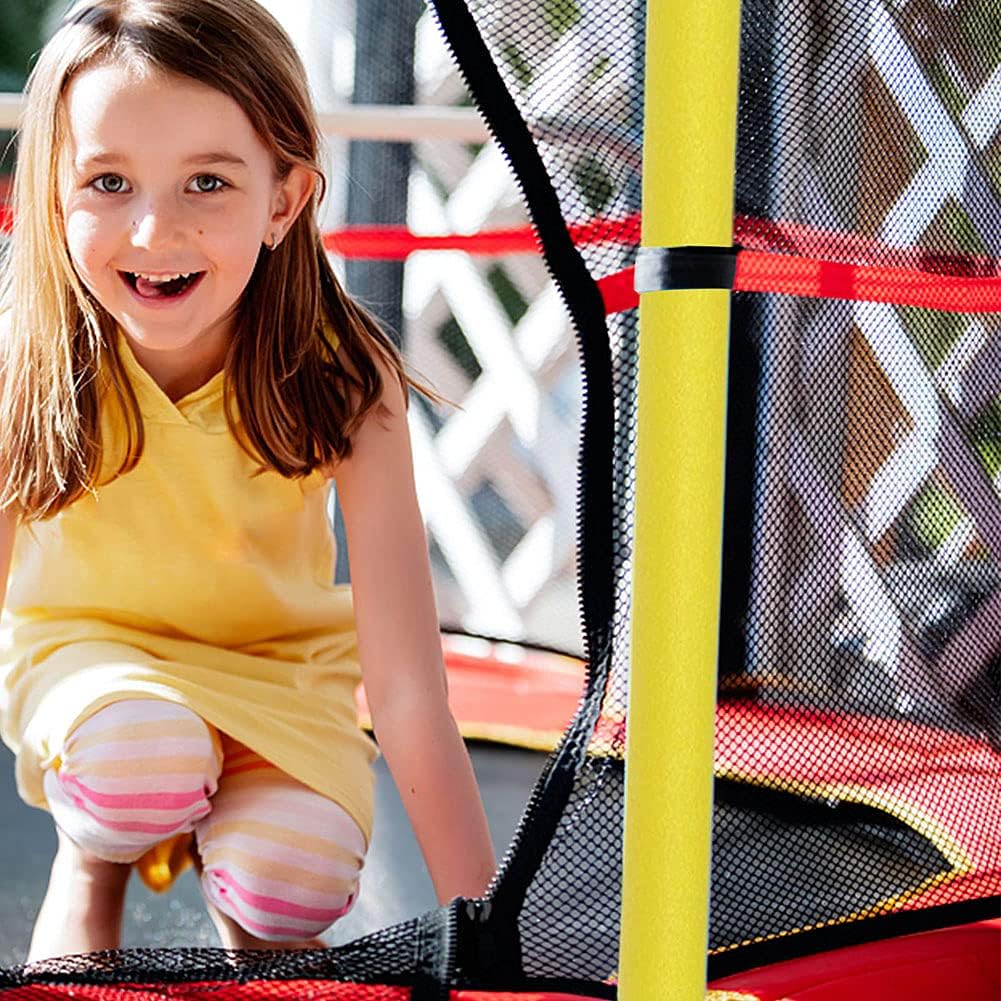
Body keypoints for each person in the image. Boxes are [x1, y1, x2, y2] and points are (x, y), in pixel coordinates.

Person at [0, 0, 496, 960]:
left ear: (283, 200)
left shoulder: (343, 371)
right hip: (91, 661)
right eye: (108, 181)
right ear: (53, 197)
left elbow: (407, 691)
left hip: (279, 674)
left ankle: (245, 909)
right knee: (133, 770)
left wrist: (483, 933)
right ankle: (91, 861)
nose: (155, 230)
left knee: (292, 881)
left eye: (207, 182)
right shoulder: (23, 361)